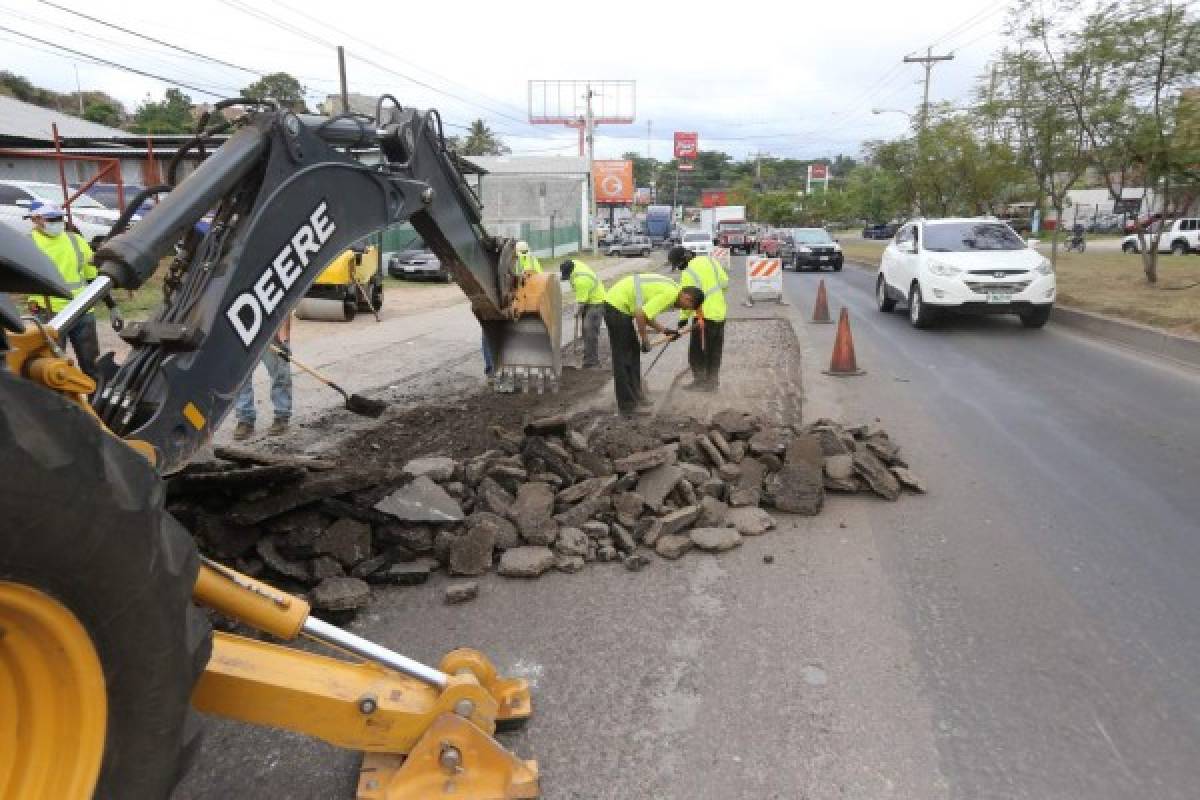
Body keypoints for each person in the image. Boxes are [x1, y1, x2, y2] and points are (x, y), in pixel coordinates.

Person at [603, 273, 704, 418]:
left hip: (621, 307)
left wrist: (664, 330)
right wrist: (644, 340)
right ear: (687, 298)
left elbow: (645, 314)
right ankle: (627, 406)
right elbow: (640, 314)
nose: (685, 309)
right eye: (688, 307)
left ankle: (637, 397)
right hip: (616, 307)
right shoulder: (671, 293)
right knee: (623, 359)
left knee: (633, 355)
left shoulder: (674, 289)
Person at [24, 203, 100, 379]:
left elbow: (92, 276)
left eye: (59, 218)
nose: (58, 222)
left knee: (92, 366)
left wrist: (111, 305)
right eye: (51, 219)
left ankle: (97, 405)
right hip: (49, 313)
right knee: (53, 369)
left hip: (83, 309)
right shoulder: (28, 243)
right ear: (36, 220)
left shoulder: (75, 240)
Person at [668, 245, 729, 391]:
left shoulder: (688, 272)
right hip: (719, 313)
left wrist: (683, 319)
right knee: (715, 350)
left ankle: (701, 383)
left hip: (703, 316)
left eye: (678, 265)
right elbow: (725, 283)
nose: (679, 268)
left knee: (697, 352)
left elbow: (687, 300)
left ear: (684, 260)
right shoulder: (710, 261)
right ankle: (713, 382)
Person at [233, 315, 293, 439]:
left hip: (270, 320)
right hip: (241, 321)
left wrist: (283, 332)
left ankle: (282, 415)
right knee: (240, 374)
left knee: (279, 372)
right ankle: (245, 418)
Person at [560, 258, 605, 368]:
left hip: (596, 303)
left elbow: (581, 302)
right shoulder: (574, 263)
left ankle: (592, 361)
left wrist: (576, 312)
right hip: (589, 300)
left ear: (571, 271)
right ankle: (587, 355)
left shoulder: (581, 280)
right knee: (585, 330)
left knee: (589, 331)